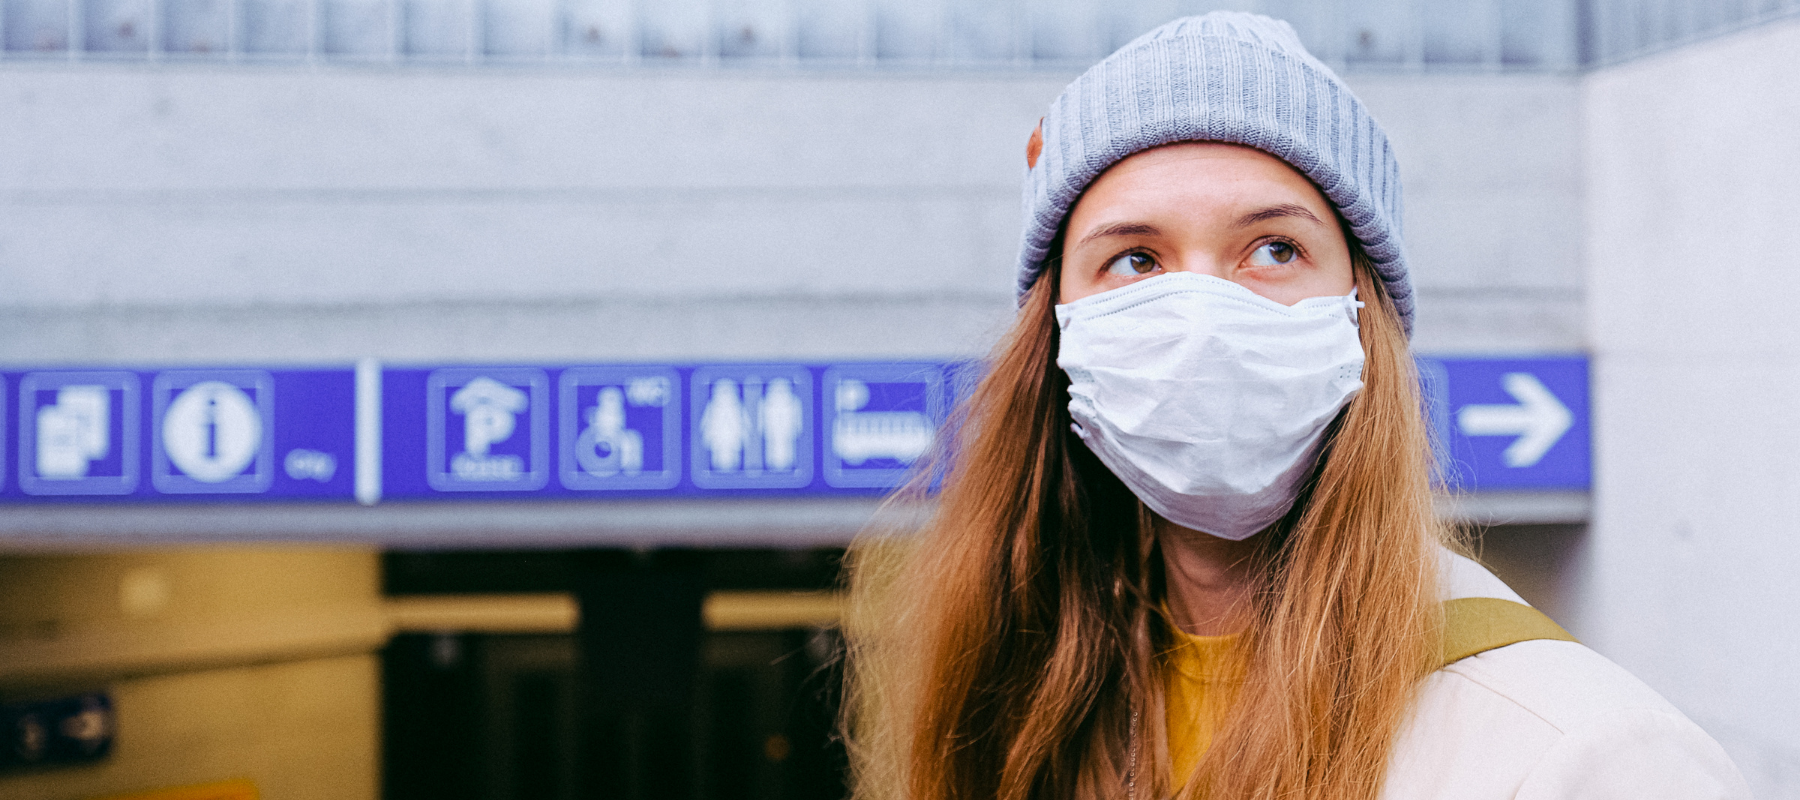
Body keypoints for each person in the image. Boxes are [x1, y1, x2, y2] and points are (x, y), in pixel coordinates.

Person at [842, 12, 1749, 800]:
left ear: (1365, 320)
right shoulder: (1038, 704)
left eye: (1273, 250)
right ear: (1058, 330)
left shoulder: (1584, 758)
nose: (1201, 319)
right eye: (1136, 260)